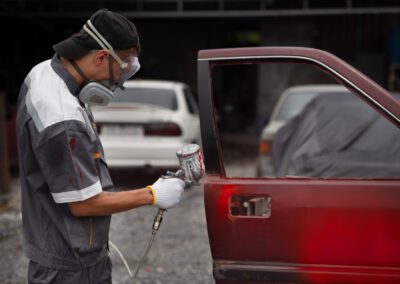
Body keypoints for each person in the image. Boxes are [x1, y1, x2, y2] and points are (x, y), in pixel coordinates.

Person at [16, 8, 185, 283]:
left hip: (64, 248)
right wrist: (152, 194)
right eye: (124, 67)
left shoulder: (45, 73)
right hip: (69, 266)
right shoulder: (62, 118)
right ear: (101, 56)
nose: (120, 81)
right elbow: (84, 204)